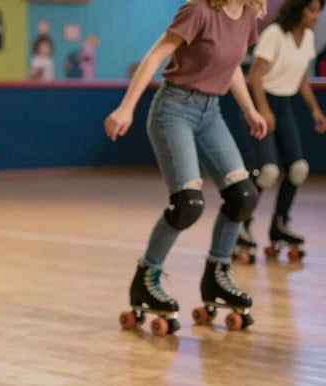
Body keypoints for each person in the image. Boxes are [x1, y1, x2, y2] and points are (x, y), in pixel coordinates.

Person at [105, 0, 267, 335]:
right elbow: (155, 55)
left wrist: (250, 109)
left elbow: (231, 64)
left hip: (212, 113)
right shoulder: (199, 10)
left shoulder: (249, 16)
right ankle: (146, 279)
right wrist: (126, 108)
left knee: (243, 196)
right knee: (188, 204)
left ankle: (217, 276)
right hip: (174, 109)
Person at [234, 0, 326, 264]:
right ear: (297, 10)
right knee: (268, 172)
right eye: (311, 10)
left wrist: (315, 110)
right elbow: (255, 75)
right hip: (262, 104)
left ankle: (280, 223)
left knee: (298, 169)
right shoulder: (274, 34)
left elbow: (301, 79)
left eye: (318, 11)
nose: (315, 16)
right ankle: (242, 224)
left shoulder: (307, 38)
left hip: (284, 107)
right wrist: (262, 110)